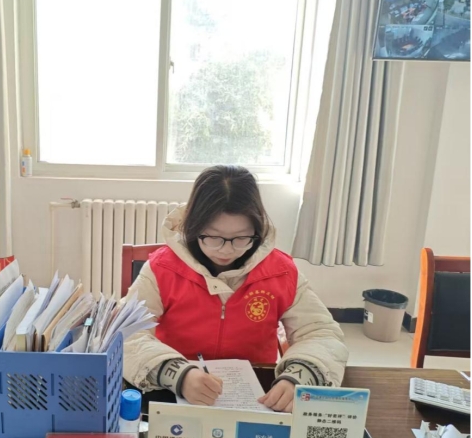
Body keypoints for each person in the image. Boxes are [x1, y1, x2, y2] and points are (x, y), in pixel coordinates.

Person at [123, 165, 348, 412]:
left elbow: (321, 332)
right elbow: (125, 331)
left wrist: (299, 376)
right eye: (213, 237)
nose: (227, 250)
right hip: (174, 391)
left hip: (258, 396)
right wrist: (176, 373)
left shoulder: (280, 271)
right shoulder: (162, 268)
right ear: (194, 227)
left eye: (241, 238)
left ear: (257, 230)